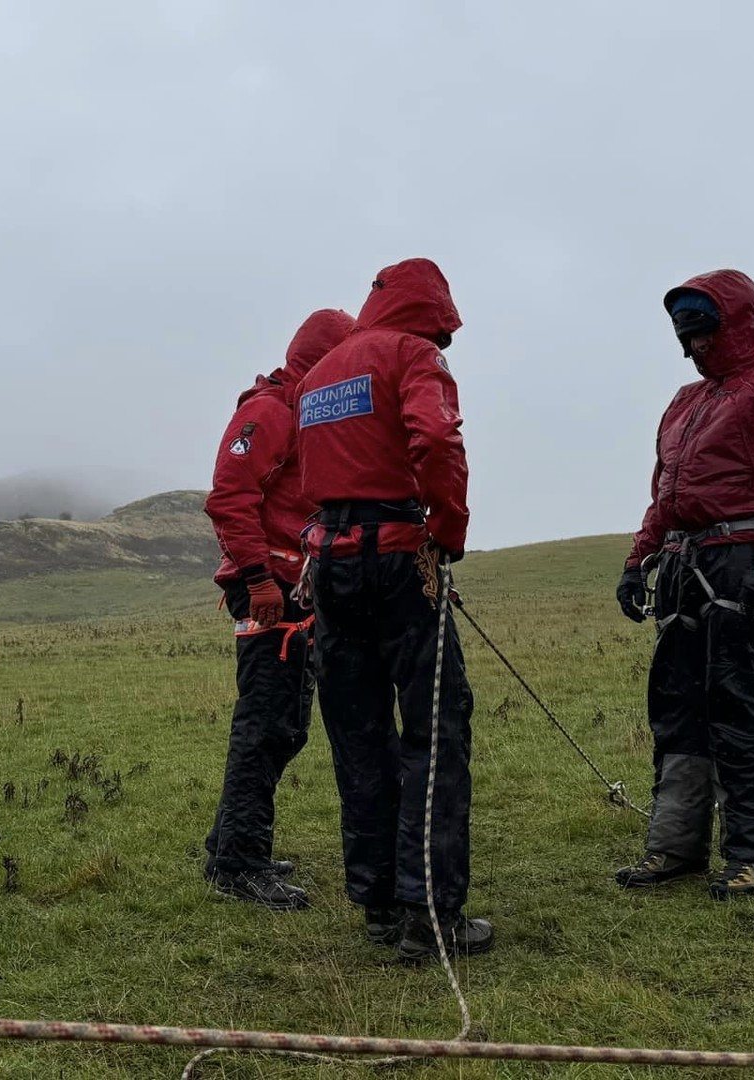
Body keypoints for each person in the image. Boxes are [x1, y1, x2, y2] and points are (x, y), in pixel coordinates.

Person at [614, 269, 754, 899]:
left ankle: (752, 854)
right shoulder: (686, 403)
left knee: (738, 706)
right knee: (678, 711)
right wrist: (638, 561)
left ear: (734, 324)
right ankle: (674, 849)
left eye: (701, 334)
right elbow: (667, 493)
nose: (691, 348)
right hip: (684, 567)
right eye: (684, 337)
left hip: (741, 560)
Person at [295, 258, 492, 962]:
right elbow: (436, 440)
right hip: (401, 559)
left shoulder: (320, 376)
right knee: (435, 731)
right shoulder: (414, 356)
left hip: (332, 568)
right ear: (432, 310)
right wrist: (448, 534)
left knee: (358, 733)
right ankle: (429, 912)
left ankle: (377, 902)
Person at [201, 308, 355, 910]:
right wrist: (260, 580)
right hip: (270, 590)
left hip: (294, 587)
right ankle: (240, 865)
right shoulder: (269, 412)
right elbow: (229, 497)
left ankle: (229, 846)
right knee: (266, 724)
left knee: (283, 725)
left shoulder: (306, 410)